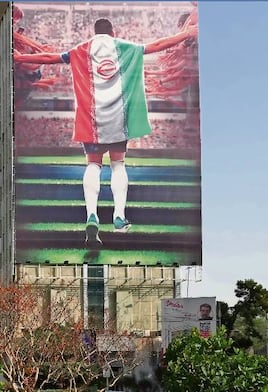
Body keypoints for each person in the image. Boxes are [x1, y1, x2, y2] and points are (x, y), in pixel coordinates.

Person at [14, 18, 198, 245]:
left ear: (94, 32)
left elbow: (48, 58)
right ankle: (119, 216)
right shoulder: (125, 47)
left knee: (93, 165)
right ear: (113, 32)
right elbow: (158, 45)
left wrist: (20, 57)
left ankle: (92, 215)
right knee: (118, 165)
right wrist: (185, 33)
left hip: (92, 119)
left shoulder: (81, 50)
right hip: (118, 119)